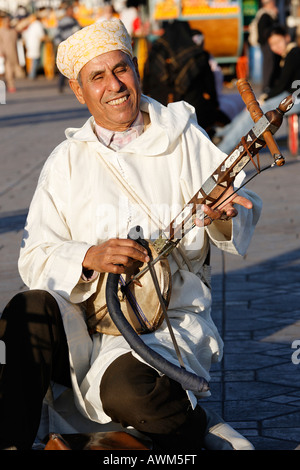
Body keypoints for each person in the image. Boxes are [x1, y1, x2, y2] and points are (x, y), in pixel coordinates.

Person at [0, 19, 262, 451]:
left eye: (120, 69)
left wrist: (224, 213)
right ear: (79, 91)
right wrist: (88, 255)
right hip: (85, 325)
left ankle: (187, 425)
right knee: (28, 309)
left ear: (136, 70)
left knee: (128, 390)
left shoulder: (182, 138)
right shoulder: (65, 161)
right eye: (97, 77)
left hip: (165, 324)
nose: (114, 85)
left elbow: (233, 206)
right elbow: (34, 257)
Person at [217, 24, 300, 155]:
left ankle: (222, 148)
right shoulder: (285, 55)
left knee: (256, 112)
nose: (276, 47)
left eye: (278, 41)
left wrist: (264, 98)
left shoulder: (294, 53)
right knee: (252, 110)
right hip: (290, 97)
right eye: (272, 44)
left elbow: (282, 85)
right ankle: (223, 134)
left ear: (287, 37)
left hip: (295, 99)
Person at [142, 20, 230, 136]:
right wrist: (215, 105)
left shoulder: (156, 53)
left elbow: (146, 85)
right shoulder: (197, 55)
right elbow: (210, 87)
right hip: (192, 111)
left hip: (161, 110)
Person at [54, 4, 81, 92]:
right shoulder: (63, 21)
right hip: (66, 47)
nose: (72, 12)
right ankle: (61, 85)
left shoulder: (74, 21)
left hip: (73, 47)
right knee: (66, 67)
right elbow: (57, 34)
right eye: (71, 11)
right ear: (67, 12)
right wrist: (60, 46)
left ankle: (78, 86)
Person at [0, 16, 24, 92]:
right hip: (5, 53)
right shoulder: (1, 31)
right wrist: (1, 52)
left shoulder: (13, 31)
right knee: (8, 70)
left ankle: (9, 83)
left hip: (14, 53)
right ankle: (11, 85)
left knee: (13, 71)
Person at [22, 13, 46, 79]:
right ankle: (32, 74)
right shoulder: (37, 24)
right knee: (35, 59)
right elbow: (41, 36)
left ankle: (31, 73)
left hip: (30, 44)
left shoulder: (32, 25)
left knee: (32, 59)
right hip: (34, 44)